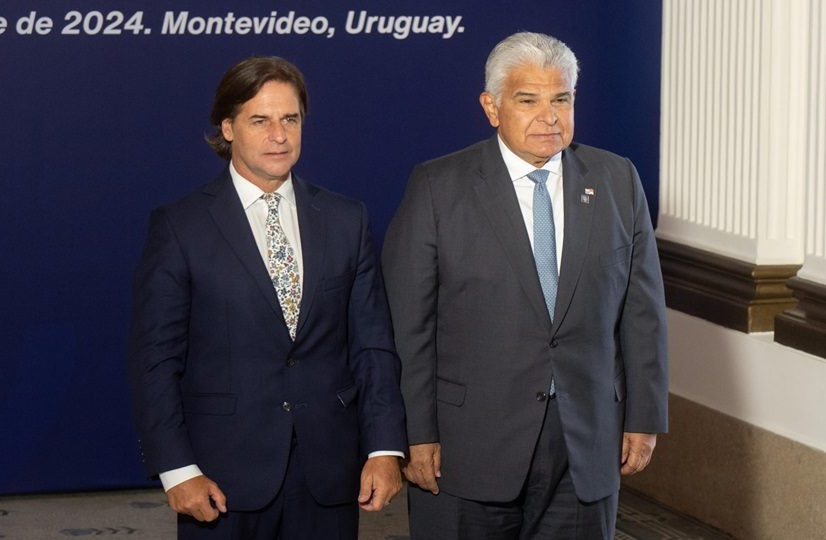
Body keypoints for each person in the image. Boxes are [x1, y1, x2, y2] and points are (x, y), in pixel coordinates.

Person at [382, 32, 668, 539]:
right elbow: (409, 327)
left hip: (584, 445)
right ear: (492, 107)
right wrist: (416, 433)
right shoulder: (436, 188)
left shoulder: (617, 180)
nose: (549, 116)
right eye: (528, 100)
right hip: (467, 449)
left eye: (561, 99)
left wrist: (645, 417)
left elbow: (642, 313)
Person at [127, 56, 407, 540]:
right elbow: (155, 358)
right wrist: (176, 468)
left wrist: (384, 449)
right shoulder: (180, 226)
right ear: (228, 127)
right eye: (260, 120)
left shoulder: (346, 220)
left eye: (290, 119)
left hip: (328, 476)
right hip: (220, 480)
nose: (279, 135)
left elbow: (373, 347)